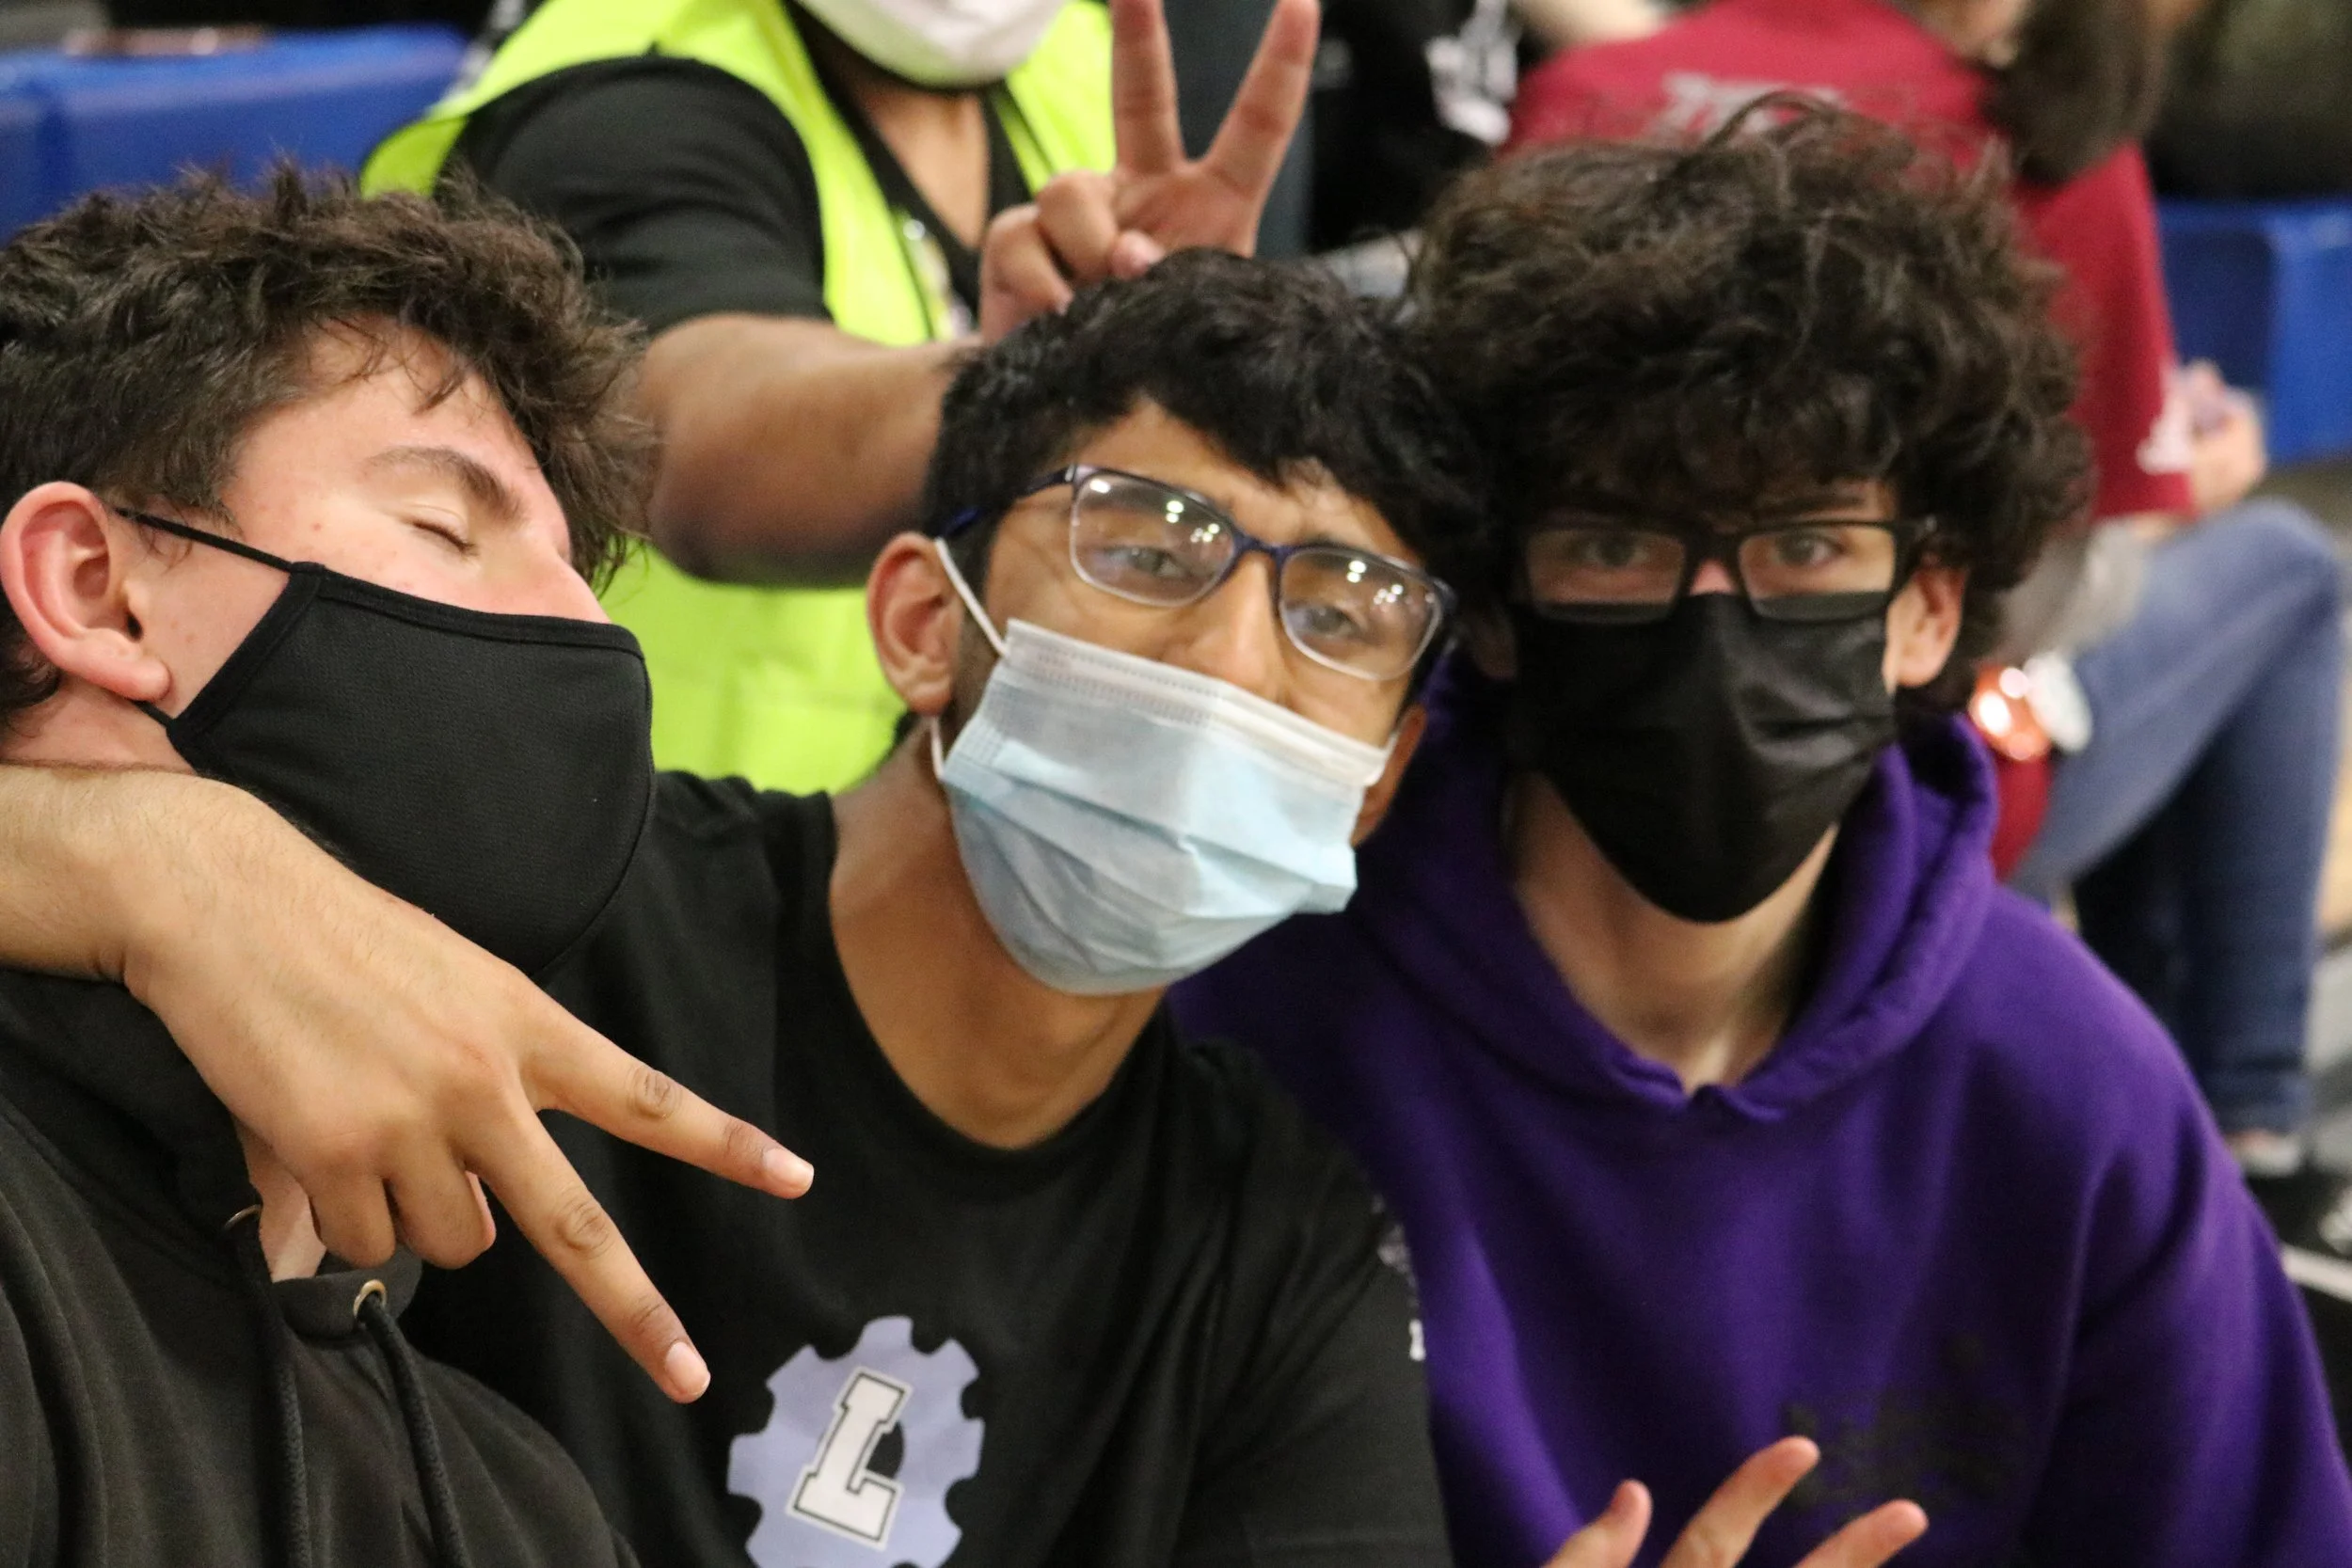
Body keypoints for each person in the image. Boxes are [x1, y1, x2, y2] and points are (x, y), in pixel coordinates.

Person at [0, 234, 1930, 1568]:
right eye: (1148, 538)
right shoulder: (546, 901)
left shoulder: (1277, 1234)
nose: (1239, 656)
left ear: (1390, 766)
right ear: (925, 619)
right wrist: (136, 851)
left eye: (1343, 611)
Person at [1176, 105, 2352, 1567]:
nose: (1716, 629)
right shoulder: (1239, 1030)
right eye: (1616, 545)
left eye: (1804, 546)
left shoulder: (2075, 1097)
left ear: (1930, 606)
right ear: (1488, 606)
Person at [0, 173, 801, 1566]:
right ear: (90, 584)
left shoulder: (512, 1507)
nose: (580, 644)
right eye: (445, 525)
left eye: (584, 586)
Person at [1507, 0, 2352, 1273]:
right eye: (1625, 544)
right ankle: (2250, 1133)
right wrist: (2199, 492)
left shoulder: (1588, 81)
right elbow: (2059, 583)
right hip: (1929, 783)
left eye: (1801, 544)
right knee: (2284, 563)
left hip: (1547, 812)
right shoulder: (2039, 133)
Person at [363, 0, 1316, 796]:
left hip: (985, 871)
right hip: (655, 892)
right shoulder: (626, 92)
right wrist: (1045, 392)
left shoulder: (1084, 55)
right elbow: (699, 434)